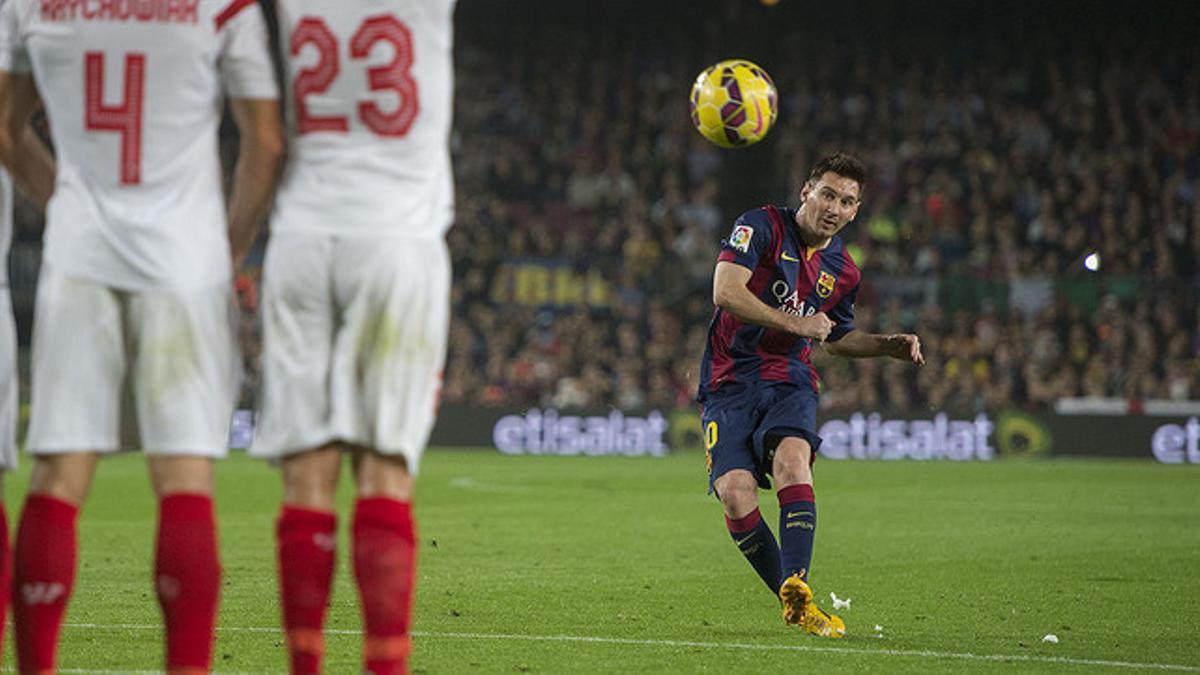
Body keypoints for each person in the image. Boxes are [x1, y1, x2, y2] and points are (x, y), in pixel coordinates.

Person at [0, 0, 282, 671]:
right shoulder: (223, 5)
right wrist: (226, 247)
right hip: (183, 261)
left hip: (81, 258)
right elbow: (265, 141)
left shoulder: (34, 4)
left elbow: (6, 130)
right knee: (184, 477)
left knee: (58, 475)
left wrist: (68, 203)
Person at [248, 1, 456, 673]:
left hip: (301, 236)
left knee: (306, 473)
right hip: (394, 237)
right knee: (382, 470)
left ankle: (303, 665)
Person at [698, 152, 924, 637]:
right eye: (827, 194)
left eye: (846, 201)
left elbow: (836, 337)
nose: (834, 208)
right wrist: (796, 322)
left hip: (788, 379)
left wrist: (885, 346)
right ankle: (794, 599)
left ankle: (796, 586)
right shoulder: (758, 226)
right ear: (806, 191)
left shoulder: (844, 270)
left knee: (792, 463)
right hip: (728, 379)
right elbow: (725, 291)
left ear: (856, 211)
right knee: (735, 497)